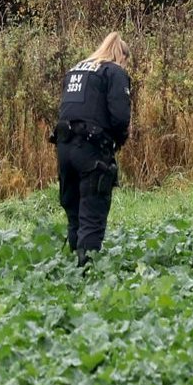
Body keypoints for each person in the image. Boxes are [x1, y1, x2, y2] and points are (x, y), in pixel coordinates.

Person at [53, 32, 132, 265]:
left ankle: (73, 266)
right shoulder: (114, 72)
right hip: (92, 151)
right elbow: (120, 117)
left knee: (74, 211)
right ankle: (87, 273)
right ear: (121, 56)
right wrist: (118, 142)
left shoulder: (76, 69)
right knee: (92, 213)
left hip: (64, 147)